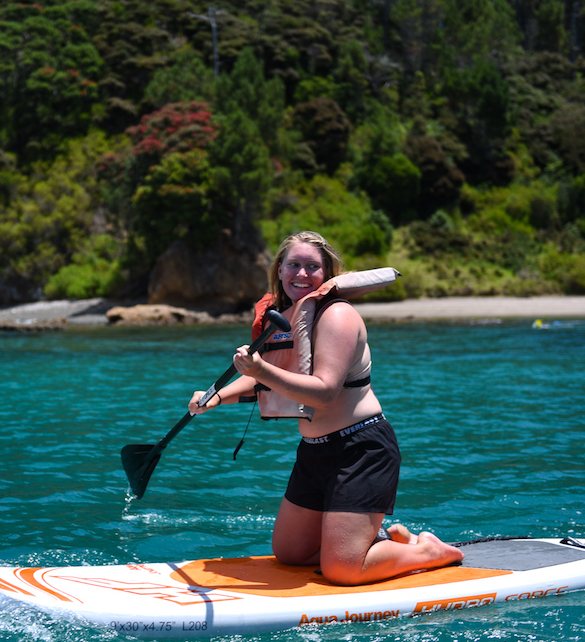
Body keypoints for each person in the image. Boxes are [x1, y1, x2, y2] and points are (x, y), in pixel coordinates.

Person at [188, 231, 463, 585]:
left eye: (312, 267)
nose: (302, 274)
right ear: (280, 270)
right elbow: (267, 379)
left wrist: (260, 368)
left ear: (328, 274)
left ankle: (428, 550)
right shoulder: (282, 319)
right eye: (294, 265)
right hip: (315, 451)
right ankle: (374, 544)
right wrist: (216, 396)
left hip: (361, 449)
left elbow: (324, 392)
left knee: (342, 570)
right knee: (291, 554)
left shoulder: (337, 316)